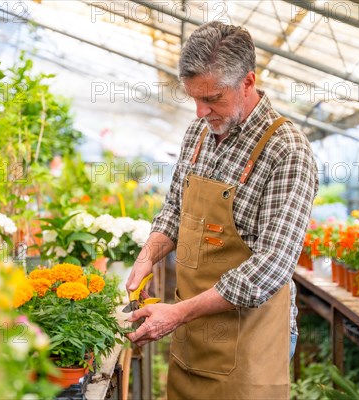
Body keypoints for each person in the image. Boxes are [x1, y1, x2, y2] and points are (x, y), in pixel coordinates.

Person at [127, 21, 318, 399]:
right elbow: (174, 210)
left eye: (212, 98)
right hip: (194, 338)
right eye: (194, 98)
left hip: (249, 342)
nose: (200, 111)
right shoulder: (198, 134)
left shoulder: (286, 151)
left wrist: (178, 312)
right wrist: (147, 256)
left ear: (247, 83)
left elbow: (271, 267)